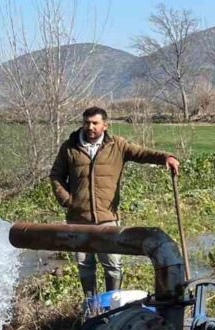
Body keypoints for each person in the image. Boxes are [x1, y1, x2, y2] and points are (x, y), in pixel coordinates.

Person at [49, 106, 181, 295]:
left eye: (95, 123)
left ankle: (111, 305)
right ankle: (91, 305)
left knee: (112, 264)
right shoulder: (69, 147)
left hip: (107, 217)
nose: (90, 127)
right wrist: (67, 200)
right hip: (78, 219)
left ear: (105, 125)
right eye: (87, 122)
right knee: (85, 265)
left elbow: (141, 153)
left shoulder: (117, 145)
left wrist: (166, 158)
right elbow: (56, 175)